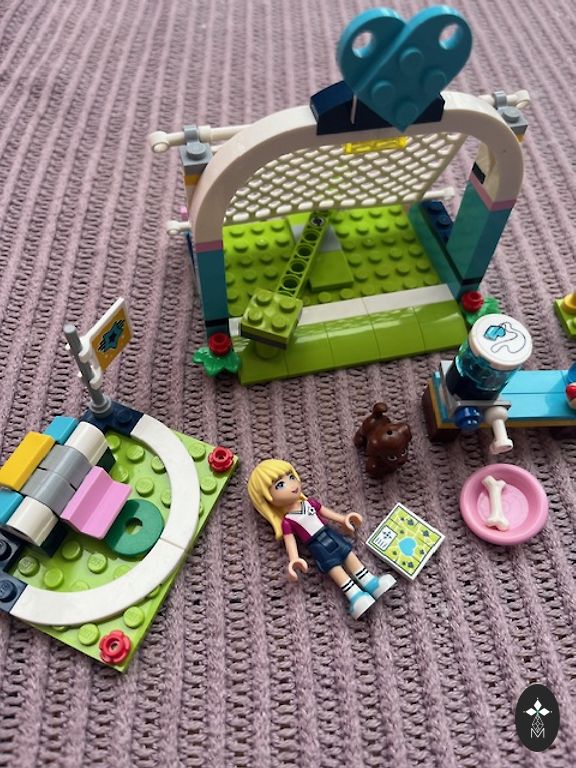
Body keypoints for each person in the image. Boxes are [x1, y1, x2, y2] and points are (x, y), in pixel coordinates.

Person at [247, 458, 395, 618]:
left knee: (348, 554)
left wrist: (343, 519)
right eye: (280, 485)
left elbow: (326, 512)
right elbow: (290, 541)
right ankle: (355, 595)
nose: (291, 485)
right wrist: (294, 559)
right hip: (316, 545)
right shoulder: (287, 521)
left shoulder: (310, 503)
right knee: (334, 568)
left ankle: (371, 583)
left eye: (291, 477)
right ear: (267, 499)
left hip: (330, 533)